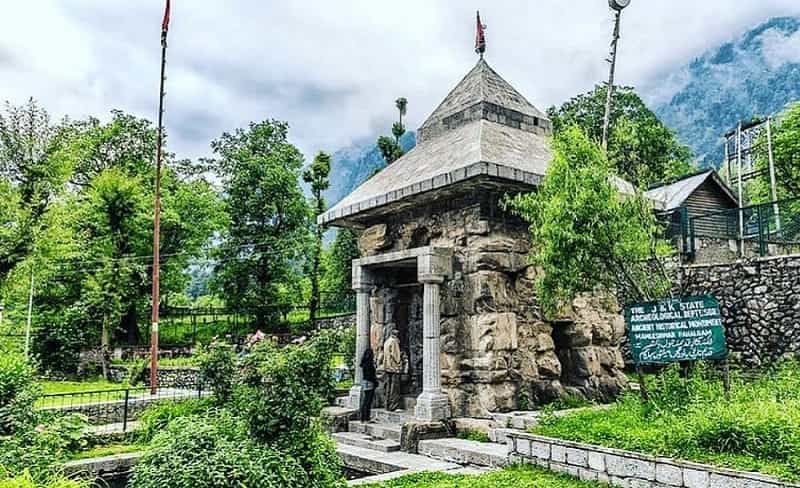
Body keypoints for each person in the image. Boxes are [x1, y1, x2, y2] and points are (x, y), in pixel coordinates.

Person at [383, 328, 402, 411]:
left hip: (387, 366)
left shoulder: (386, 341)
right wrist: (399, 364)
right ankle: (393, 406)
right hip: (393, 367)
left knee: (388, 386)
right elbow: (395, 355)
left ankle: (387, 405)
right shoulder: (394, 341)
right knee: (394, 388)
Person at [359, 346, 377, 423]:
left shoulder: (364, 363)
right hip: (370, 383)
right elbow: (370, 375)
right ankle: (366, 418)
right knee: (368, 401)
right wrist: (375, 381)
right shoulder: (369, 364)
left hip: (365, 382)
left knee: (365, 400)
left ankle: (363, 417)